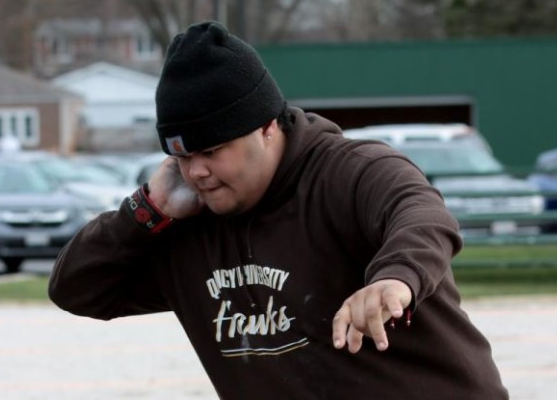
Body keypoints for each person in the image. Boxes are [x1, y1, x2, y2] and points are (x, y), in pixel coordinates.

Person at [49, 21, 508, 399]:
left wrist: (394, 279)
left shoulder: (349, 171)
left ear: (267, 126)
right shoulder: (186, 222)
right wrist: (146, 210)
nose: (198, 172)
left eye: (213, 150)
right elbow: (77, 289)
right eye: (184, 157)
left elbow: (419, 211)